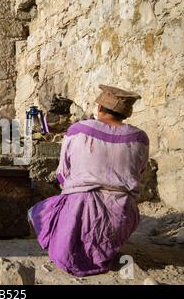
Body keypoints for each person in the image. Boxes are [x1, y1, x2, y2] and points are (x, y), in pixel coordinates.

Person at [28, 84, 149, 277]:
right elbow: (139, 173)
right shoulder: (140, 138)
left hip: (81, 209)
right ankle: (105, 247)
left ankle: (71, 237)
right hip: (122, 213)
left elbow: (63, 173)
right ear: (126, 114)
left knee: (39, 212)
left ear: (100, 108)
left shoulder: (78, 129)